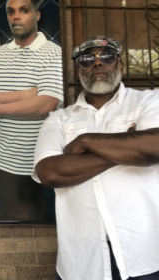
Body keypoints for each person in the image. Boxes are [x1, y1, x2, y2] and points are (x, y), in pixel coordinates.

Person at [32, 36, 159, 280]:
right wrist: (128, 146)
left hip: (144, 253)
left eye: (107, 57)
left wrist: (85, 141)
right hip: (82, 260)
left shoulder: (148, 101)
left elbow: (155, 146)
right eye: (88, 59)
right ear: (79, 69)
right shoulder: (58, 119)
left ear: (119, 64)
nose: (97, 64)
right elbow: (50, 173)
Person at [0, 0, 63, 221]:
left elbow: (46, 105)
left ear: (37, 15)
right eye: (11, 12)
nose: (16, 16)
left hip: (45, 163)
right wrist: (31, 93)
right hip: (4, 166)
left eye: (24, 10)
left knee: (47, 233)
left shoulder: (53, 54)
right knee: (6, 235)